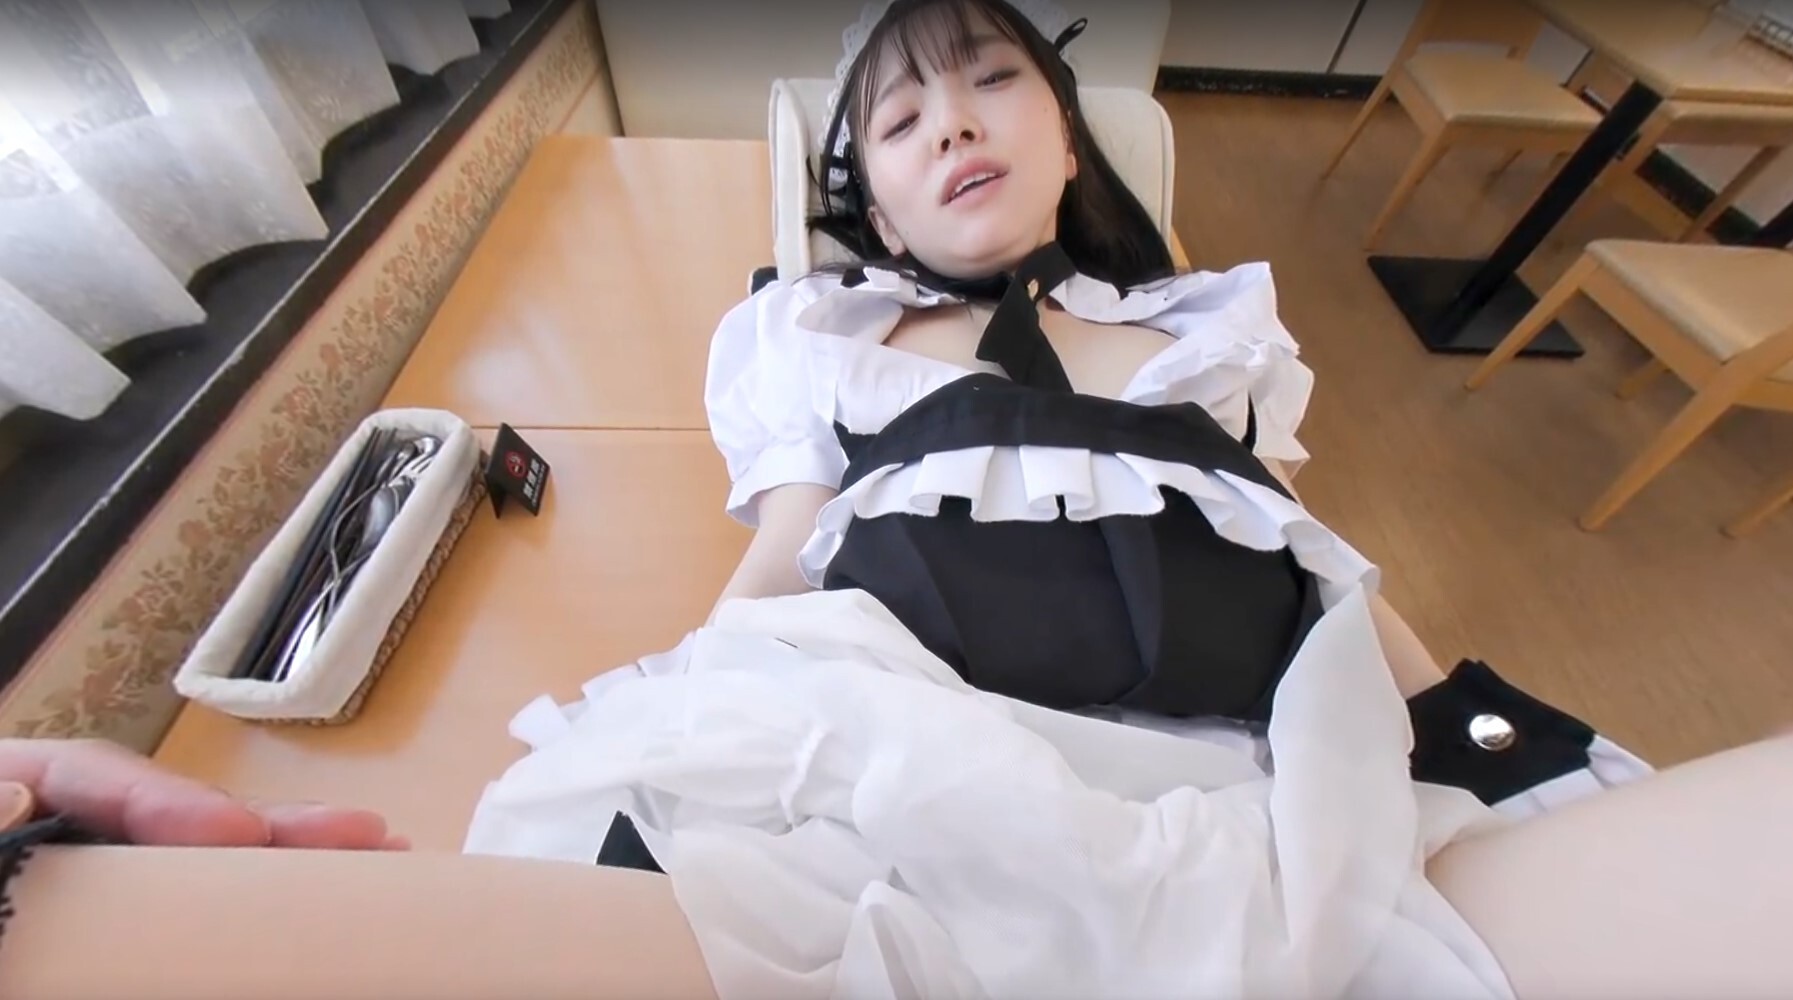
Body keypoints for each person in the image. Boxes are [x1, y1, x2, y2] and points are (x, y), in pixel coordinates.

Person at [2, 2, 1790, 997]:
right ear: (864, 190)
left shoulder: (1208, 331)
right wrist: (673, 708)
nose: (954, 123)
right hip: (899, 744)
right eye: (902, 118)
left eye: (992, 81)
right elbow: (785, 549)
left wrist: (1474, 732)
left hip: (1253, 768)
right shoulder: (813, 333)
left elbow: (1311, 553)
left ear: (1067, 136)